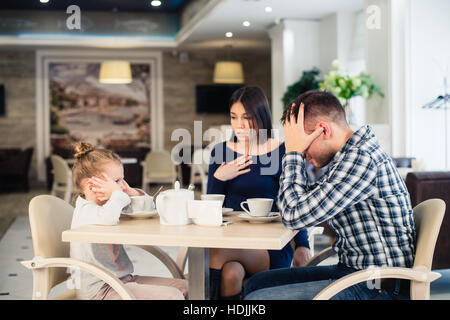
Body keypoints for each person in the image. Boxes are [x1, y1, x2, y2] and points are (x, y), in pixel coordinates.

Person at [243, 90, 416, 300]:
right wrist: (297, 151)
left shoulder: (361, 158)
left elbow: (294, 216)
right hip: (353, 272)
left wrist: (292, 153)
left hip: (379, 287)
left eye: (302, 145)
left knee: (258, 299)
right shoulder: (346, 158)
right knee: (256, 284)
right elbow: (305, 202)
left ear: (323, 130)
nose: (304, 155)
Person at [206, 86, 311, 300]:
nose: (239, 125)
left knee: (215, 251)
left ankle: (201, 300)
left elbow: (293, 201)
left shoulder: (282, 151)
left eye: (247, 117)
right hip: (233, 239)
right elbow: (211, 208)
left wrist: (302, 244)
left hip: (269, 245)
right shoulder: (221, 151)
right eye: (234, 117)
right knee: (231, 274)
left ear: (261, 116)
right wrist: (219, 177)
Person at [70, 142, 188, 300]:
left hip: (123, 280)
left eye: (123, 180)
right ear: (92, 186)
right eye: (117, 181)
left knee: (187, 288)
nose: (122, 187)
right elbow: (108, 218)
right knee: (172, 296)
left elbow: (146, 207)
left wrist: (131, 192)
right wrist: (118, 195)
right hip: (99, 289)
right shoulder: (86, 211)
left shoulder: (108, 204)